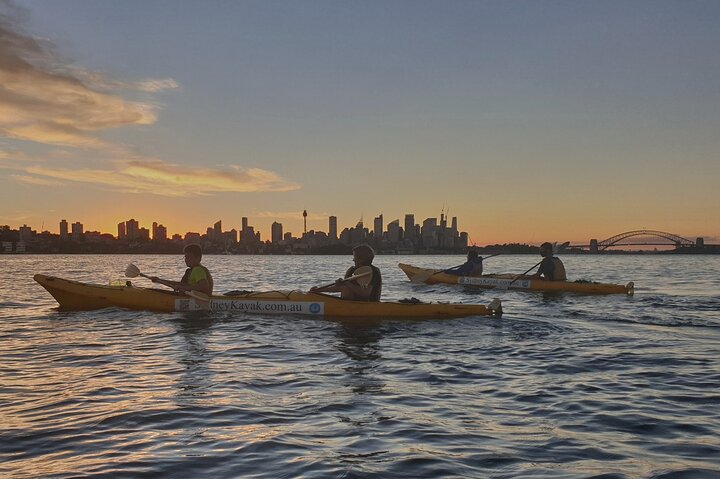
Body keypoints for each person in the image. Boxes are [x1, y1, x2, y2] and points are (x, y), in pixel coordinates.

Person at [311, 244, 382, 301]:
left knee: (347, 289)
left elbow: (365, 293)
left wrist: (347, 283)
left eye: (355, 257)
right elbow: (341, 288)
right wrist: (319, 290)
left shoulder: (374, 272)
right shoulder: (351, 270)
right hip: (350, 302)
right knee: (346, 288)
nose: (353, 260)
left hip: (368, 304)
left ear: (361, 259)